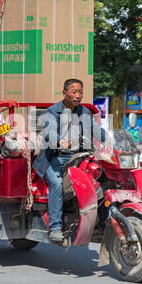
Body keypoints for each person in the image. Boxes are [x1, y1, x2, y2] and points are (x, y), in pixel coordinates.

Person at [32, 78, 106, 242]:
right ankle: (55, 227)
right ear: (64, 93)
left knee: (103, 177)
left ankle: (103, 221)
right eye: (74, 92)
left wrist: (110, 138)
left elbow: (95, 130)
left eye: (80, 92)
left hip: (79, 157)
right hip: (55, 158)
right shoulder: (52, 112)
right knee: (57, 184)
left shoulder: (84, 112)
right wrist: (59, 141)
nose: (78, 95)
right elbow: (50, 131)